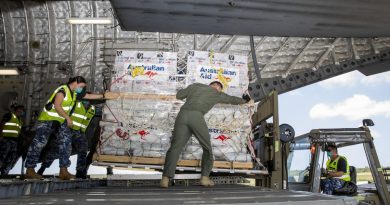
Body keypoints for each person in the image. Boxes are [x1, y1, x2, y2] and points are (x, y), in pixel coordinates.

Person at [160, 81, 251, 188]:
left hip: (182, 115)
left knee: (175, 147)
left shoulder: (195, 86)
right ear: (218, 87)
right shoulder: (217, 93)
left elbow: (179, 95)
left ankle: (165, 179)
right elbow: (232, 99)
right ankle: (204, 178)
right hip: (196, 116)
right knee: (207, 147)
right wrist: (245, 100)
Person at [24, 76, 104, 180]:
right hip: (48, 120)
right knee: (39, 143)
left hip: (61, 121)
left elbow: (87, 95)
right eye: (81, 86)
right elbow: (57, 106)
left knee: (66, 143)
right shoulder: (62, 90)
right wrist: (68, 118)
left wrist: (103, 95)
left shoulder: (74, 93)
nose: (82, 89)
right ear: (76, 82)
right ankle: (30, 169)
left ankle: (63, 171)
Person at [37, 99, 95, 179]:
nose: (87, 102)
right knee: (56, 149)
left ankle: (80, 172)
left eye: (89, 101)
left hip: (80, 133)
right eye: (85, 100)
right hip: (68, 130)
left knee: (83, 150)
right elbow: (62, 112)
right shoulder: (75, 104)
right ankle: (42, 169)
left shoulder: (93, 109)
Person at [0, 105, 24, 176]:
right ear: (16, 110)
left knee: (10, 158)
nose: (21, 111)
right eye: (20, 109)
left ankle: (4, 173)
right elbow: (2, 124)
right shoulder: (9, 115)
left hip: (14, 141)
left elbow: (18, 131)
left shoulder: (20, 120)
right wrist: (1, 136)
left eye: (22, 110)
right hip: (6, 139)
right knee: (2, 156)